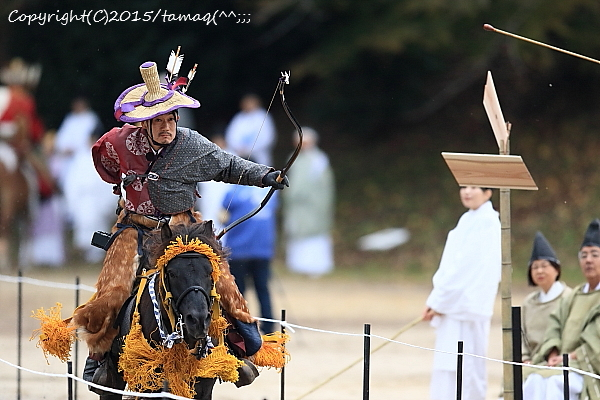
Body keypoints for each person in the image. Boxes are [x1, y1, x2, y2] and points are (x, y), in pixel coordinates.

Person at [73, 57, 289, 364]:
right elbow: (104, 163)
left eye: (171, 120)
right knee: (111, 292)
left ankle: (241, 353)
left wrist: (266, 175)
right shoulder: (118, 141)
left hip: (183, 229)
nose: (166, 128)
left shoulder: (192, 144)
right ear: (144, 123)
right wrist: (124, 186)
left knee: (225, 284)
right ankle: (101, 359)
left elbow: (228, 165)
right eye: (158, 122)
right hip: (135, 227)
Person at [422, 186, 501, 400]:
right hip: (451, 303)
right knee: (447, 366)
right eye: (464, 187)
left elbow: (468, 269)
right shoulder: (467, 220)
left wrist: (439, 301)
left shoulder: (488, 223)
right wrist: (437, 300)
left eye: (474, 187)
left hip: (468, 305)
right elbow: (451, 266)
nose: (467, 192)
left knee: (468, 367)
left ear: (488, 192)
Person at [522, 219, 600, 400]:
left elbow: (595, 339)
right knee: (533, 379)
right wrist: (553, 353)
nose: (588, 260)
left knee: (556, 383)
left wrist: (571, 357)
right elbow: (554, 326)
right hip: (561, 363)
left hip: (585, 368)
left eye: (594, 255)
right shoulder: (573, 296)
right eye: (584, 255)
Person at [221, 179, 278, 334]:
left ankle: (241, 327)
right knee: (263, 289)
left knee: (239, 291)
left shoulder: (235, 191)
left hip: (239, 249)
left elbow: (222, 216)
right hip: (263, 249)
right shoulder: (270, 192)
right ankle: (269, 328)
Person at [282, 127, 335, 278]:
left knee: (315, 236)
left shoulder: (319, 159)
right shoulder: (294, 159)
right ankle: (298, 266)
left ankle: (317, 267)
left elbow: (324, 186)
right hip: (297, 208)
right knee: (297, 234)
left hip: (314, 208)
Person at [521, 231, 572, 363]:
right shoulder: (529, 302)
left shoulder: (569, 297)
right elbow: (521, 336)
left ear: (556, 270)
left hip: (559, 360)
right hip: (532, 362)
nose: (539, 271)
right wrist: (525, 358)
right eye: (535, 267)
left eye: (544, 266)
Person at [224, 93, 275, 166]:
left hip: (258, 157)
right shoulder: (239, 117)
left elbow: (267, 138)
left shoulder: (263, 116)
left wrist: (249, 150)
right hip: (240, 155)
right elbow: (231, 137)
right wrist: (239, 148)